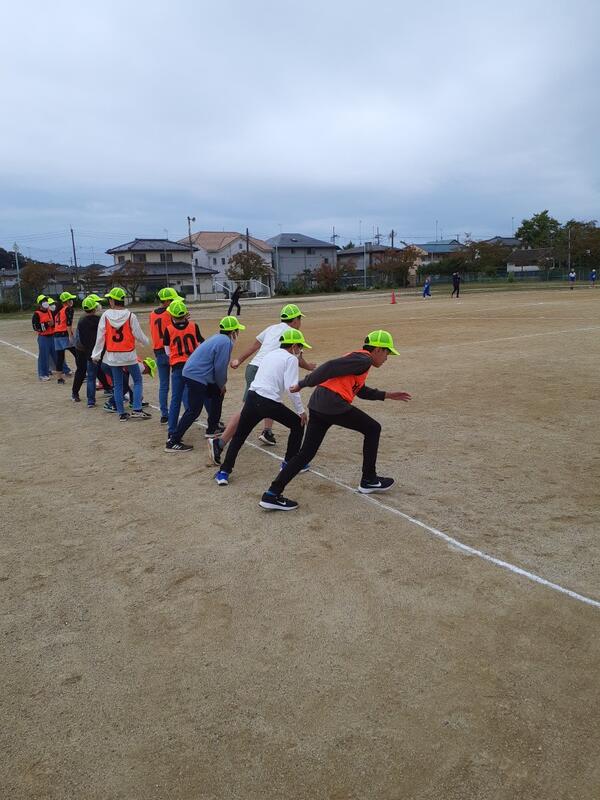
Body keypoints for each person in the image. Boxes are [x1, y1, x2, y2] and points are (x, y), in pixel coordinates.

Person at [259, 330, 412, 511]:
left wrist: (387, 395)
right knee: (373, 428)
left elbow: (361, 390)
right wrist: (303, 383)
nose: (387, 358)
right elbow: (330, 366)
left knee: (305, 453)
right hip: (332, 403)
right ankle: (369, 479)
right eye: (387, 352)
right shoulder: (364, 359)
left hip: (319, 404)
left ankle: (272, 493)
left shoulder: (360, 361)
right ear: (378, 349)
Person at [213, 328, 311, 484]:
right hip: (269, 402)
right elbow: (292, 388)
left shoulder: (269, 354)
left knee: (239, 436)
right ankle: (288, 463)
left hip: (252, 397)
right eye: (300, 347)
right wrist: (301, 411)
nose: (300, 350)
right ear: (293, 346)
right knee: (298, 425)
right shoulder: (291, 359)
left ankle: (223, 472)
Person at [219, 303, 316, 450]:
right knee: (246, 409)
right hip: (261, 369)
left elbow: (254, 346)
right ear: (295, 320)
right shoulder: (292, 334)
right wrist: (309, 367)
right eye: (300, 319)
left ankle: (267, 431)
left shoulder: (271, 328)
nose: (300, 322)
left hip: (254, 367)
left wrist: (239, 360)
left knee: (272, 398)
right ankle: (220, 442)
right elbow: (298, 359)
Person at [165, 316, 245, 452]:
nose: (237, 333)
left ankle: (212, 428)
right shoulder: (226, 342)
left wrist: (217, 386)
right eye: (237, 331)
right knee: (194, 410)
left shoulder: (217, 337)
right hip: (196, 376)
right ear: (233, 332)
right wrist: (221, 384)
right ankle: (173, 441)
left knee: (217, 395)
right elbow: (220, 368)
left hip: (194, 373)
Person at [91, 286, 151, 421]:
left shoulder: (105, 316)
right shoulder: (130, 316)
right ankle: (137, 408)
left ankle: (121, 413)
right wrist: (146, 342)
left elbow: (100, 337)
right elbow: (138, 335)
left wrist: (96, 354)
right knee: (137, 380)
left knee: (117, 385)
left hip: (113, 355)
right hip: (129, 355)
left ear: (113, 301)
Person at [162, 299, 204, 439]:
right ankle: (213, 424)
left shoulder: (169, 329)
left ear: (171, 315)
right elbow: (201, 344)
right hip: (193, 366)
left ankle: (172, 430)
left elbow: (167, 351)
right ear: (185, 314)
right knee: (200, 395)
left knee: (175, 399)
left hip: (178, 367)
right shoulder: (193, 326)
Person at [149, 287, 182, 424]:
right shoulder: (170, 313)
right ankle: (188, 410)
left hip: (158, 351)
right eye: (173, 300)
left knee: (163, 385)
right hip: (171, 351)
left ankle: (164, 414)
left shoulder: (152, 314)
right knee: (179, 383)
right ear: (167, 301)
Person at [71, 295, 112, 405]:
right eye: (97, 303)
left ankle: (107, 387)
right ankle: (75, 393)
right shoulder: (85, 319)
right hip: (82, 348)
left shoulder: (94, 317)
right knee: (82, 370)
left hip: (90, 348)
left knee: (97, 369)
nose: (99, 305)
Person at [52, 291, 78, 383]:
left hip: (56, 335)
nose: (71, 301)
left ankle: (59, 378)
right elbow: (68, 323)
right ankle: (82, 372)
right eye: (70, 299)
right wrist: (70, 335)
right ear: (67, 301)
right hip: (64, 334)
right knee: (78, 354)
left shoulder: (59, 311)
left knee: (60, 357)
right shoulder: (68, 309)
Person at [31, 294, 55, 380]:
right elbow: (36, 327)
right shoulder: (37, 314)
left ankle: (63, 370)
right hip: (43, 337)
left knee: (57, 354)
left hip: (52, 336)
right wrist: (47, 324)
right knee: (44, 356)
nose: (46, 303)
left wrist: (52, 325)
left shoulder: (49, 311)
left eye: (46, 301)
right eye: (43, 301)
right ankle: (43, 374)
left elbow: (54, 323)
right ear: (40, 304)